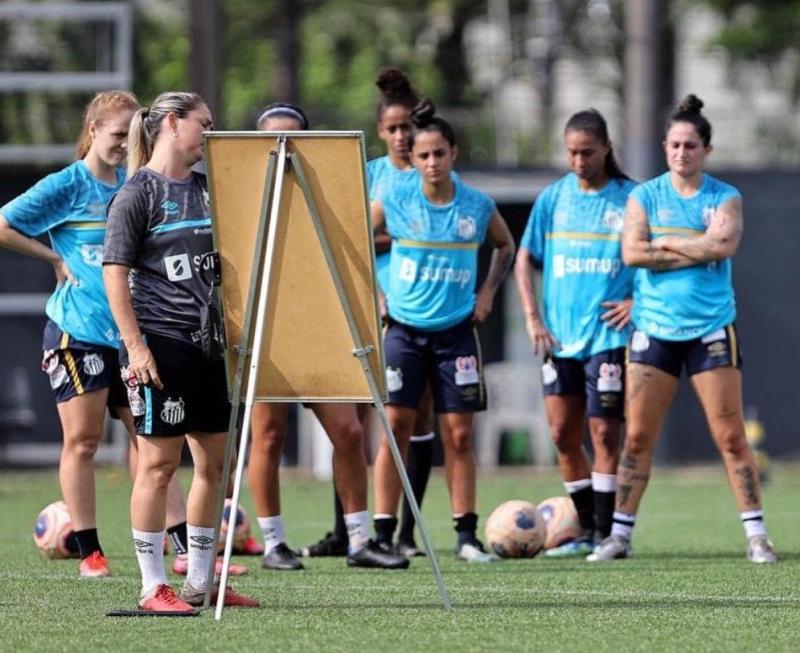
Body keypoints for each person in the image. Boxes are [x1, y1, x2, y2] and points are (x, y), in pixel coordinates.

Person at [589, 94, 777, 563]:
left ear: (705, 150)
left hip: (710, 330)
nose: (681, 153)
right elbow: (633, 254)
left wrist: (666, 243)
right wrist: (695, 242)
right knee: (637, 437)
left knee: (731, 437)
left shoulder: (724, 196)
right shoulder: (644, 196)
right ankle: (620, 536)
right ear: (663, 147)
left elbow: (724, 246)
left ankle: (756, 535)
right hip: (653, 329)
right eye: (674, 144)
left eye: (691, 145)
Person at [103, 91, 259, 613]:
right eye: (204, 124)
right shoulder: (136, 194)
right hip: (159, 347)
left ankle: (200, 581)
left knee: (215, 463)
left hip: (208, 348)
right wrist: (136, 347)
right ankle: (152, 587)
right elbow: (115, 276)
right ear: (172, 124)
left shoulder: (208, 191)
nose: (210, 134)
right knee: (158, 465)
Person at [246, 102, 408, 572]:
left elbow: (356, 248)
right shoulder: (243, 195)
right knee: (268, 437)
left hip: (319, 327)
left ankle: (359, 541)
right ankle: (274, 543)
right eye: (272, 139)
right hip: (268, 330)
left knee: (349, 431)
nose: (283, 148)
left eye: (293, 138)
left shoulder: (328, 191)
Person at [0, 90, 151, 578]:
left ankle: (177, 544)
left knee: (151, 440)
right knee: (83, 441)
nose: (125, 145)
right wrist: (53, 258)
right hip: (77, 334)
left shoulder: (136, 185)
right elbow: (2, 225)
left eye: (133, 137)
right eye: (116, 135)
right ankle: (90, 551)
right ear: (92, 131)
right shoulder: (66, 185)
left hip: (129, 336)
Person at [299, 68, 436, 560]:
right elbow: (345, 236)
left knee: (414, 415)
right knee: (353, 418)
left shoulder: (433, 172)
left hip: (414, 309)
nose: (402, 137)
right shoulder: (370, 174)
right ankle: (346, 530)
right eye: (393, 129)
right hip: (361, 303)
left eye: (407, 128)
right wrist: (392, 239)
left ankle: (404, 533)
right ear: (381, 132)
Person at [371, 99, 515, 562]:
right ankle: (381, 533)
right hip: (404, 330)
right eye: (423, 155)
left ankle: (466, 536)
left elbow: (505, 245)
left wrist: (489, 292)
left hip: (456, 333)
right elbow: (351, 243)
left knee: (458, 435)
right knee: (396, 426)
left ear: (453, 152)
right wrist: (376, 295)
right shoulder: (394, 200)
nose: (432, 163)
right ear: (412, 159)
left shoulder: (476, 204)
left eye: (440, 153)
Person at [514, 109, 636, 558]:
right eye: (571, 153)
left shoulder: (631, 199)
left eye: (587, 151)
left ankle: (608, 533)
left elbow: (656, 257)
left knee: (605, 435)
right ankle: (584, 529)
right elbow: (524, 259)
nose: (579, 161)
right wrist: (533, 317)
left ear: (606, 148)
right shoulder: (553, 198)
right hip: (559, 340)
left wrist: (638, 302)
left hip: (607, 339)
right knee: (564, 434)